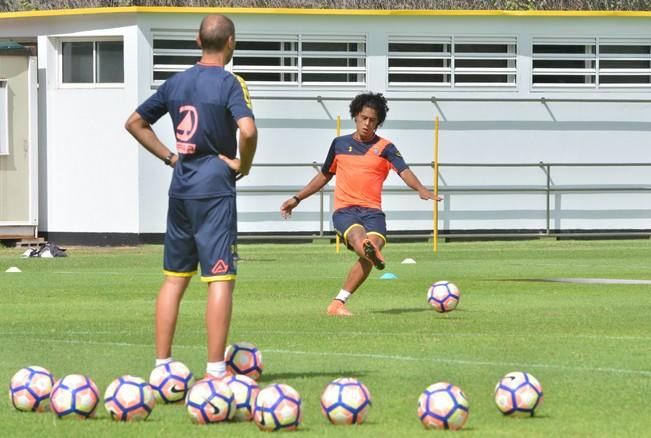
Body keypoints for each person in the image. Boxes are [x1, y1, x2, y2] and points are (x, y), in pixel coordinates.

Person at [125, 14, 257, 378]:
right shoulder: (232, 83)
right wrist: (242, 164)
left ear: (198, 41)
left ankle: (161, 366)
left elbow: (134, 122)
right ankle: (215, 371)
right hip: (214, 188)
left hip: (181, 185)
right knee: (220, 278)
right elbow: (247, 130)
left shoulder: (175, 82)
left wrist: (170, 157)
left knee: (174, 278)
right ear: (231, 42)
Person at [280, 92, 440, 317]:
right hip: (345, 210)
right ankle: (367, 252)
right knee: (360, 239)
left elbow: (404, 171)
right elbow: (324, 176)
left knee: (371, 247)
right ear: (355, 116)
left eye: (373, 120)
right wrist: (297, 198)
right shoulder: (339, 144)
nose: (367, 124)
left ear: (378, 122)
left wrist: (421, 189)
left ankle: (338, 303)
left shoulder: (386, 148)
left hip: (373, 211)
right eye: (364, 118)